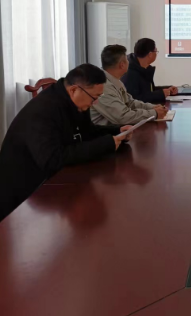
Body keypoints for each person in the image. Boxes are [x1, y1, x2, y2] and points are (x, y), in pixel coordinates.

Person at [0, 64, 134, 221]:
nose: (95, 103)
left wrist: (117, 131)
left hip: (51, 182)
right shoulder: (43, 111)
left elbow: (87, 132)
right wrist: (105, 144)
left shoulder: (76, 102)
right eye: (94, 98)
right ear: (74, 90)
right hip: (24, 196)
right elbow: (53, 159)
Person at [91, 45, 168, 125]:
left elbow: (130, 103)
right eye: (127, 60)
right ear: (122, 65)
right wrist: (154, 113)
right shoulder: (102, 87)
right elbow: (123, 117)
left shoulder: (115, 81)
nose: (129, 62)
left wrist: (152, 107)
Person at [121, 38, 178, 104]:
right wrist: (161, 94)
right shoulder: (130, 72)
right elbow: (134, 99)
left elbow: (149, 91)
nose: (156, 54)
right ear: (150, 54)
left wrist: (168, 89)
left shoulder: (144, 68)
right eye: (156, 51)